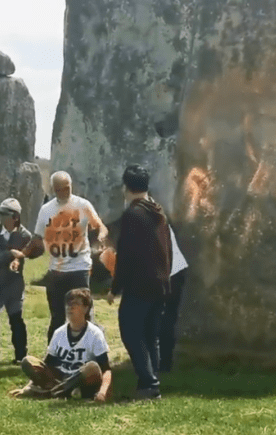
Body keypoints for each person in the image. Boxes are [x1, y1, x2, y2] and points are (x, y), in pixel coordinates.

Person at [107, 164, 171, 400]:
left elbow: (126, 255)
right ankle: (152, 382)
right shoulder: (159, 211)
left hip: (140, 285)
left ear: (127, 187)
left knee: (131, 332)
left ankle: (149, 383)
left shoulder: (133, 214)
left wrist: (115, 288)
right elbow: (168, 249)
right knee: (150, 335)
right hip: (161, 283)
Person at [20, 171, 108, 343]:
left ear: (71, 186)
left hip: (79, 268)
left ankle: (89, 352)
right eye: (59, 190)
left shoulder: (83, 205)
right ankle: (53, 357)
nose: (64, 193)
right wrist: (22, 254)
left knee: (84, 315)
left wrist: (102, 236)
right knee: (57, 318)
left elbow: (100, 226)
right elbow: (37, 238)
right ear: (53, 190)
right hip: (56, 271)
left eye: (66, 188)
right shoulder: (47, 210)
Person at [9, 288, 112, 401]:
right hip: (60, 378)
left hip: (81, 379)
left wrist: (102, 393)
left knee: (92, 367)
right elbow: (47, 364)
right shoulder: (59, 333)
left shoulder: (95, 333)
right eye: (68, 304)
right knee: (28, 361)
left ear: (86, 308)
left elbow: (106, 369)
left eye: (76, 304)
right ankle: (62, 392)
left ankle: (52, 392)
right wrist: (26, 387)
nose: (70, 307)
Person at [0, 198, 38, 364]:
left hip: (13, 286)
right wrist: (11, 254)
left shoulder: (25, 236)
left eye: (5, 214)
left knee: (16, 321)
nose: (1, 217)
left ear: (15, 217)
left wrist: (26, 253)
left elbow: (33, 252)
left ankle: (20, 355)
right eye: (0, 214)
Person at [159, 223, 189, 372]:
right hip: (168, 273)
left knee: (165, 320)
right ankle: (162, 362)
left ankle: (164, 363)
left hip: (172, 274)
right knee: (164, 319)